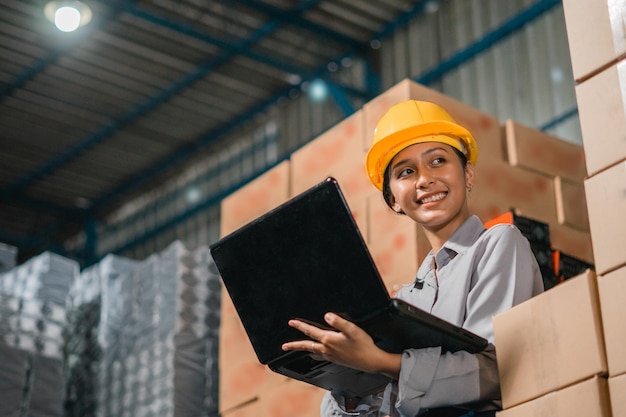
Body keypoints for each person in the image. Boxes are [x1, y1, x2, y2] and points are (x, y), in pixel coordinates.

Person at [281, 100, 545, 417]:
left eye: (437, 161)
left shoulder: (498, 245)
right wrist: (348, 376)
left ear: (468, 174)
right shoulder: (405, 302)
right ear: (394, 200)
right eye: (406, 171)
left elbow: (497, 371)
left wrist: (379, 362)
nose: (423, 179)